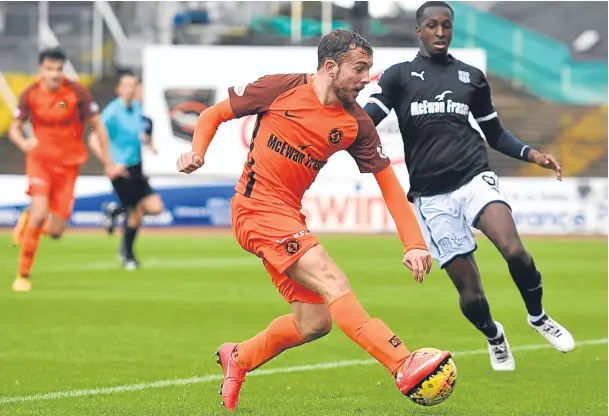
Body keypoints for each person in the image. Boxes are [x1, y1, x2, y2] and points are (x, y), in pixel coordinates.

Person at [177, 29, 451, 411]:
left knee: (315, 323)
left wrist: (414, 243)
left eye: (369, 70)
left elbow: (389, 184)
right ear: (330, 66)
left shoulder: (356, 123)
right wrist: (197, 153)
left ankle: (238, 357)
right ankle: (401, 362)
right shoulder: (279, 88)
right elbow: (212, 113)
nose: (365, 78)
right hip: (255, 208)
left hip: (287, 214)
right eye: (359, 69)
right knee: (333, 279)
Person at [363, 1, 575, 372]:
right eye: (432, 25)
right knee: (471, 293)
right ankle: (494, 334)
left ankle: (538, 316)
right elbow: (369, 120)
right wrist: (328, 129)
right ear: (419, 31)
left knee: (514, 249)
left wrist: (532, 154)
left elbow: (494, 133)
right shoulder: (398, 76)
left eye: (446, 25)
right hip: (431, 196)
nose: (440, 32)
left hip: (474, 176)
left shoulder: (471, 76)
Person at [9, 47, 124, 292]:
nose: (54, 74)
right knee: (40, 211)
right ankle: (23, 275)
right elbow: (14, 128)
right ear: (41, 69)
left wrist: (108, 162)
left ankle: (30, 220)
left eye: (59, 69)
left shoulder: (75, 93)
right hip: (40, 162)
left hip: (69, 166)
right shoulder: (30, 94)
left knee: (55, 231)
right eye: (49, 69)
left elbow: (97, 127)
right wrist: (23, 142)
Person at [90, 71, 163, 270]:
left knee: (156, 208)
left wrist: (149, 143)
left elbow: (138, 132)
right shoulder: (112, 112)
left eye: (134, 84)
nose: (132, 88)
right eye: (127, 85)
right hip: (121, 170)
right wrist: (110, 164)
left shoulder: (137, 108)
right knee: (136, 213)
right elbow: (94, 139)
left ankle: (115, 210)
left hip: (137, 167)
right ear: (119, 89)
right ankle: (127, 254)